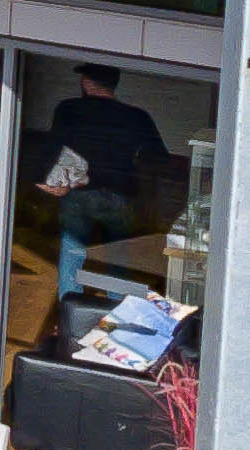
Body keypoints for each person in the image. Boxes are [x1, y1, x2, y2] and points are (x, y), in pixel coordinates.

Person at [41, 65, 171, 298]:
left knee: (72, 253)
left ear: (87, 82)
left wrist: (46, 181)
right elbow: (159, 157)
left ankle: (70, 310)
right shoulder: (137, 117)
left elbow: (52, 149)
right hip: (120, 193)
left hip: (78, 192)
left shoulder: (68, 109)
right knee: (118, 257)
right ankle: (115, 315)